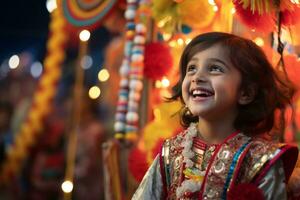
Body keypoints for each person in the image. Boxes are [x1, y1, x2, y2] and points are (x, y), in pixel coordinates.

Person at [132, 32, 299, 200]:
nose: (197, 77)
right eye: (192, 69)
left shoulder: (260, 161)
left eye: (215, 68)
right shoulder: (170, 153)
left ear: (246, 92)